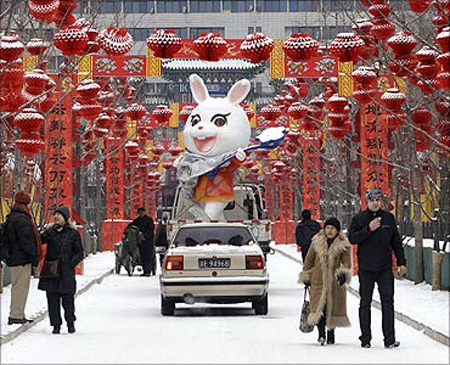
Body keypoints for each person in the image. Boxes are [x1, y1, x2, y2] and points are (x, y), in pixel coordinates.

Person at [349, 188, 407, 349]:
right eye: (372, 199)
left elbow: (396, 243)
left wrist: (402, 263)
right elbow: (352, 239)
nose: (375, 202)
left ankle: (389, 339)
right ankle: (365, 339)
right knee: (365, 303)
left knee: (388, 303)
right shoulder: (359, 219)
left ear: (381, 201)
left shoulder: (388, 218)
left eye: (378, 199)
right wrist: (368, 229)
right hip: (366, 268)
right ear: (366, 202)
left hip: (384, 268)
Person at [298, 217, 352, 346]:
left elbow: (347, 262)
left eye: (332, 228)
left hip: (335, 282)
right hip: (318, 281)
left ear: (337, 230)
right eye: (327, 227)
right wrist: (306, 275)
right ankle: (321, 334)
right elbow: (309, 260)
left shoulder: (343, 243)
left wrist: (343, 272)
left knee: (332, 308)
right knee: (319, 307)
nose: (329, 230)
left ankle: (331, 333)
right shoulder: (316, 242)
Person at [38, 206, 84, 334]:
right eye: (55, 214)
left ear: (65, 218)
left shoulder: (73, 233)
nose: (56, 217)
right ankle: (56, 325)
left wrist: (71, 264)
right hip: (51, 270)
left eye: (59, 215)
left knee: (67, 300)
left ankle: (70, 322)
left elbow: (79, 252)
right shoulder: (50, 232)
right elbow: (39, 241)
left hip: (66, 272)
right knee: (52, 299)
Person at [5, 191, 41, 325]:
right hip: (21, 259)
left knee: (17, 287)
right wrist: (34, 256)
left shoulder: (12, 216)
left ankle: (17, 313)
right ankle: (16, 315)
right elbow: (26, 241)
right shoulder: (22, 219)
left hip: (15, 258)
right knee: (20, 288)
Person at [127, 207, 155, 276]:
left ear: (144, 212)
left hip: (148, 242)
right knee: (142, 257)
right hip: (140, 242)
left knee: (148, 257)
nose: (141, 214)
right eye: (139, 213)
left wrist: (145, 236)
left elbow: (151, 230)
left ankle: (148, 271)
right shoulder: (137, 221)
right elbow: (130, 226)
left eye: (142, 212)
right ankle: (145, 271)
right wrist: (126, 232)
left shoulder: (149, 220)